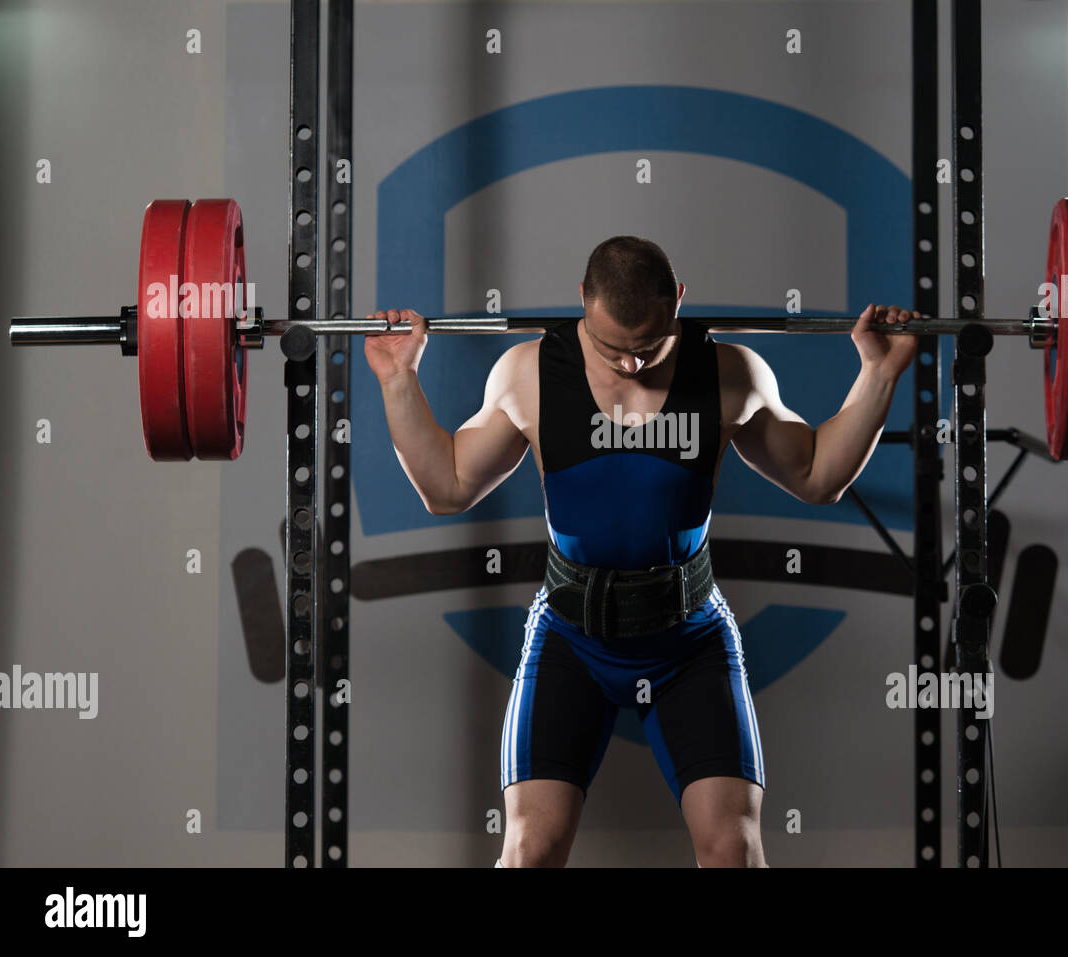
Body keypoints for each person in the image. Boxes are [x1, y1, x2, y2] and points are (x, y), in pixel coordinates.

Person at [367, 236, 919, 867]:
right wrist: (398, 378)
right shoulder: (530, 373)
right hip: (570, 638)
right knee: (529, 852)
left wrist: (879, 373)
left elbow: (819, 476)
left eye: (647, 346)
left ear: (679, 301)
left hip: (689, 641)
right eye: (612, 348)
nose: (630, 365)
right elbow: (447, 486)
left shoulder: (727, 371)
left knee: (732, 852)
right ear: (582, 302)